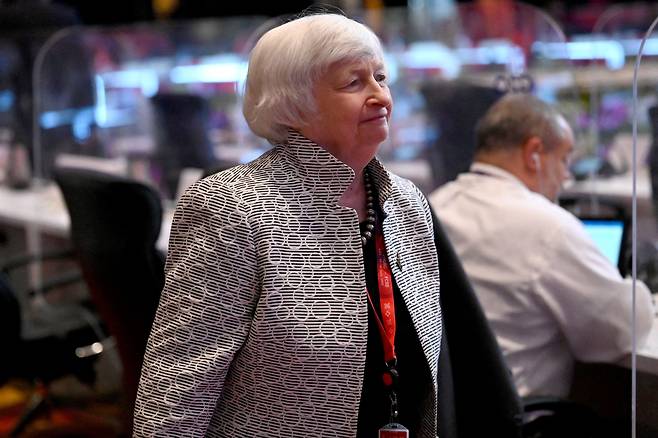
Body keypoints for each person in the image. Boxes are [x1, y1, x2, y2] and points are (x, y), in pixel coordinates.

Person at [132, 13, 443, 437]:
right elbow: (178, 384)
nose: (380, 97)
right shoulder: (229, 208)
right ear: (294, 103)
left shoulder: (406, 202)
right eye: (354, 83)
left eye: (381, 77)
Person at [429, 93, 655, 398]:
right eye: (564, 159)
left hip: (448, 416)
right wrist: (641, 291)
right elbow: (621, 328)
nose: (566, 178)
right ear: (534, 153)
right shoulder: (548, 226)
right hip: (518, 417)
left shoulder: (434, 207)